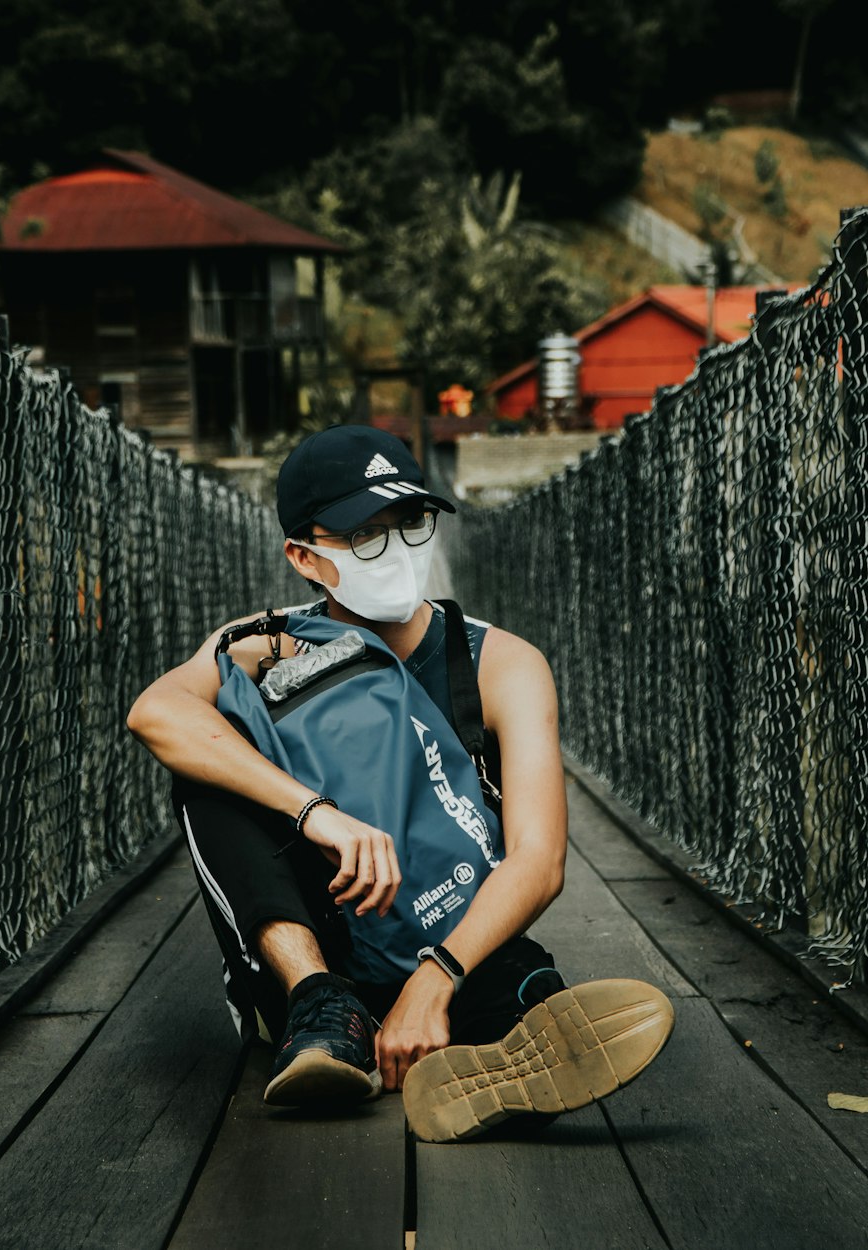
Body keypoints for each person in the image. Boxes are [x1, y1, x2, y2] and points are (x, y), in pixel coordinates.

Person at [127, 424, 673, 1143]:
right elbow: (155, 712)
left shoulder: (500, 664)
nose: (398, 550)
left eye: (410, 523)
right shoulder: (268, 645)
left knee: (525, 992)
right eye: (365, 535)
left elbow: (539, 861)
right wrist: (317, 814)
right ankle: (323, 1011)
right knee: (210, 767)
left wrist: (436, 976)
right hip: (318, 949)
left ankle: (504, 1034)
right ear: (304, 555)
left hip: (449, 943)